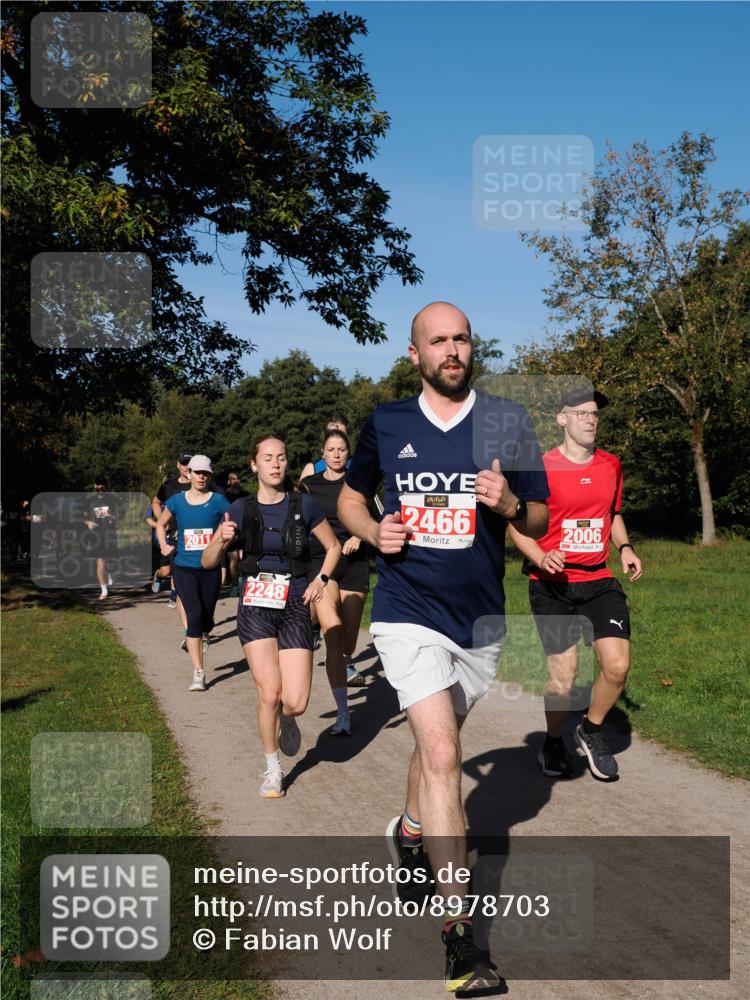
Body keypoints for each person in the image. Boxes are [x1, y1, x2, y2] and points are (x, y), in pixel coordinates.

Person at [338, 301, 549, 993]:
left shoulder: (508, 420)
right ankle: (462, 944)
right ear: (414, 354)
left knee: (442, 739)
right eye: (438, 341)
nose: (451, 350)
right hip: (406, 610)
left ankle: (407, 825)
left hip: (480, 621)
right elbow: (348, 497)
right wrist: (373, 534)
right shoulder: (388, 421)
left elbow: (541, 511)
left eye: (461, 339)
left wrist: (512, 507)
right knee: (444, 753)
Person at [507, 387, 643, 781]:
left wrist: (626, 547)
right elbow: (516, 526)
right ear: (561, 419)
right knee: (563, 678)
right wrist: (539, 556)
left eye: (595, 414)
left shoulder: (611, 466)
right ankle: (552, 741)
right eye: (581, 413)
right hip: (552, 584)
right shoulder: (540, 468)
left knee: (617, 667)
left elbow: (612, 514)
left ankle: (591, 730)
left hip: (599, 578)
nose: (591, 419)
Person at [202, 434, 340, 799]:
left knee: (295, 700)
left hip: (295, 602)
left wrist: (320, 580)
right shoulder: (239, 510)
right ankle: (273, 769)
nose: (275, 464)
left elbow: (333, 547)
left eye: (281, 457)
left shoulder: (304, 505)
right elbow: (207, 561)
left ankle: (289, 719)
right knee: (269, 693)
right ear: (254, 465)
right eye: (267, 458)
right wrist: (221, 540)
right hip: (256, 604)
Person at [300, 428, 370, 734]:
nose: (337, 454)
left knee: (349, 642)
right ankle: (344, 713)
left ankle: (343, 652)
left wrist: (357, 534)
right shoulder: (308, 486)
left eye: (342, 449)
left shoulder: (360, 484)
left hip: (354, 567)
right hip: (321, 565)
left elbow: (377, 519)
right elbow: (296, 524)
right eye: (331, 449)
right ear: (323, 453)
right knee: (333, 634)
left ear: (347, 453)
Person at [155, 455, 230, 692]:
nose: (201, 477)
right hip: (184, 566)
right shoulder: (177, 501)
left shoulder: (219, 501)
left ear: (209, 475)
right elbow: (160, 524)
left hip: (209, 568)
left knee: (206, 617)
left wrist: (225, 540)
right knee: (194, 615)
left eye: (205, 473)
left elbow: (232, 524)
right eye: (197, 472)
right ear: (189, 473)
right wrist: (164, 545)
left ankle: (205, 630)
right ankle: (199, 672)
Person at [81, 477, 119, 600]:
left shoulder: (112, 499)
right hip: (96, 535)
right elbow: (82, 516)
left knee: (112, 564)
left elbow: (120, 515)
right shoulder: (89, 501)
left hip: (110, 534)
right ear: (94, 486)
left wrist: (111, 514)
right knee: (100, 561)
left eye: (102, 485)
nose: (100, 487)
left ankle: (110, 573)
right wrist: (88, 523)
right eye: (97, 485)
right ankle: (104, 590)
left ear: (106, 486)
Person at [298, 414, 350, 480]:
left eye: (341, 434)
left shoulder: (359, 466)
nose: (336, 437)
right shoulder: (312, 469)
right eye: (331, 433)